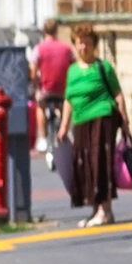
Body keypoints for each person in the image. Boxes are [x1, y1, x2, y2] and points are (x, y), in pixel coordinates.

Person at [58, 25, 129, 227]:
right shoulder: (72, 71)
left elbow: (118, 94)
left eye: (88, 43)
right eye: (80, 42)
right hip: (80, 122)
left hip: (102, 118)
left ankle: (105, 210)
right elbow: (68, 99)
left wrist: (124, 120)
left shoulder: (103, 67)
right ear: (75, 44)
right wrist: (64, 126)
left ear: (94, 45)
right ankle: (96, 210)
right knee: (85, 165)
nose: (83, 47)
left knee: (100, 163)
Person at [33, 19, 75, 166]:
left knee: (40, 106)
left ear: (44, 32)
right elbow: (74, 67)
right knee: (66, 107)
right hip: (63, 90)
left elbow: (33, 72)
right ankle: (65, 131)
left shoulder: (39, 48)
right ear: (57, 31)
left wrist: (36, 86)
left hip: (46, 90)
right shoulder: (67, 49)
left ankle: (43, 138)